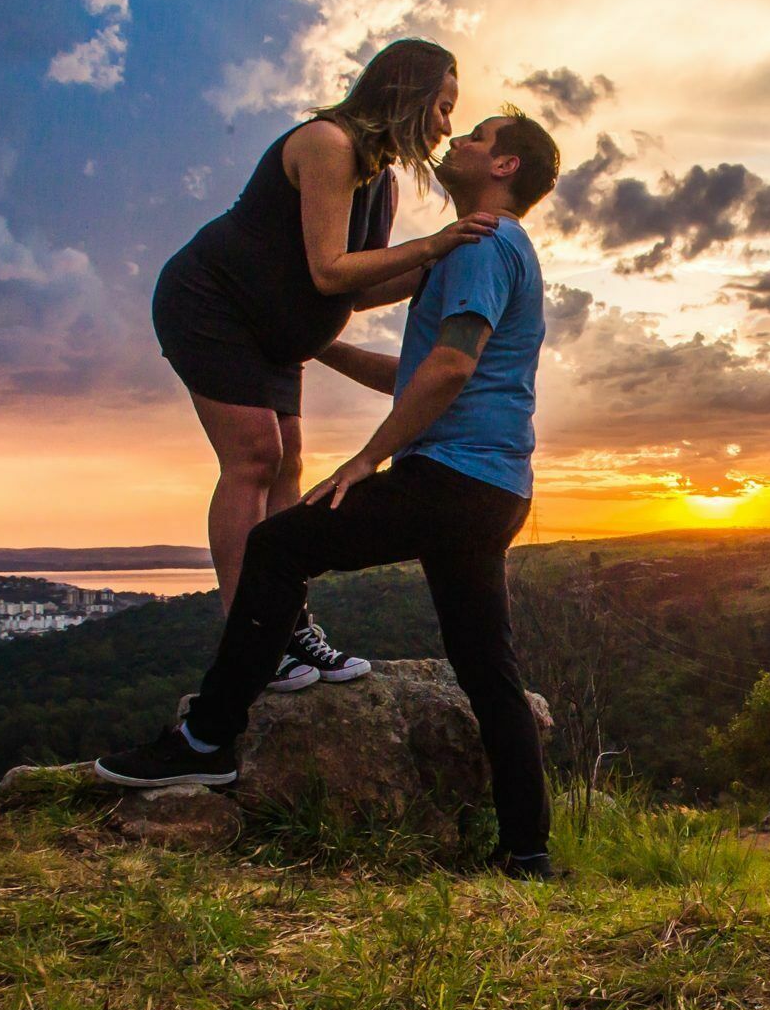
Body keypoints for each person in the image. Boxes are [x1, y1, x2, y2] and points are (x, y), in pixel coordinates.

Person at [98, 108, 565, 881]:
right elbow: (420, 371)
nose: (457, 142)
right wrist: (327, 347)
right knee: (487, 668)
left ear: (506, 166)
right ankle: (528, 853)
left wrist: (366, 461)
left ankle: (206, 740)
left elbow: (449, 371)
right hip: (495, 488)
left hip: (452, 477)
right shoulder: (474, 253)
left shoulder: (485, 241)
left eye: (477, 137)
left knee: (277, 547)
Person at [152, 38, 500, 692]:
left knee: (288, 462)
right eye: (445, 107)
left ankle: (285, 620)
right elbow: (327, 267)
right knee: (254, 456)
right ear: (409, 92)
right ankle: (249, 638)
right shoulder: (327, 144)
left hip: (272, 330)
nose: (448, 125)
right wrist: (431, 245)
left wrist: (434, 262)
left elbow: (355, 289)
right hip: (211, 305)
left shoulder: (380, 180)